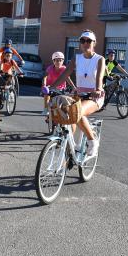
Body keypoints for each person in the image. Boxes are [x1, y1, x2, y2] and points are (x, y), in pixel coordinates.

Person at [49, 30, 105, 159]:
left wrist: (97, 89)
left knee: (77, 112)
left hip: (94, 96)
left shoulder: (99, 59)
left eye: (88, 41)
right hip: (79, 95)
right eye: (82, 41)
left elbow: (100, 78)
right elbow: (64, 75)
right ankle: (68, 151)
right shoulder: (77, 58)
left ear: (94, 43)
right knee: (68, 117)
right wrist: (51, 87)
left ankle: (92, 141)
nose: (85, 43)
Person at [41, 51, 76, 116]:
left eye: (60, 60)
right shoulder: (50, 68)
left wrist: (74, 87)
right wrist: (44, 86)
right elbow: (45, 77)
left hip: (61, 88)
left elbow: (68, 79)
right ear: (53, 61)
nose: (58, 62)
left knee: (66, 100)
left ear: (63, 61)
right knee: (47, 94)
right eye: (56, 61)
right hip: (51, 87)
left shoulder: (64, 69)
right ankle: (46, 109)